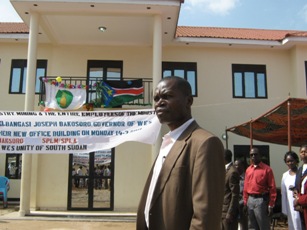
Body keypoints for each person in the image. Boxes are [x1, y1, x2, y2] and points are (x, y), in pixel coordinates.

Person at [136, 76, 225, 230]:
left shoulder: (205, 143)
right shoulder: (168, 142)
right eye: (156, 98)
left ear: (188, 101)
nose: (159, 103)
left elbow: (205, 217)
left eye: (167, 96)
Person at [243, 147, 277, 230]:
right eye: (251, 155)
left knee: (263, 226)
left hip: (261, 200)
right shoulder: (248, 170)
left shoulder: (267, 169)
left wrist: (271, 205)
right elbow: (245, 187)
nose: (253, 156)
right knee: (252, 226)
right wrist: (245, 202)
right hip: (250, 200)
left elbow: (272, 187)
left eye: (255, 154)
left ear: (260, 156)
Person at [281, 151, 302, 230]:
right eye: (288, 161)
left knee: (300, 223)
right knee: (292, 224)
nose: (290, 163)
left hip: (300, 204)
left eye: (292, 160)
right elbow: (284, 193)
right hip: (290, 205)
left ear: (296, 160)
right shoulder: (285, 175)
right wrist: (284, 211)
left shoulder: (301, 173)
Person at [221, 149, 240, 230]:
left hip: (228, 212)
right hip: (222, 211)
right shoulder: (224, 170)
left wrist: (230, 212)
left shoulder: (232, 172)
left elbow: (235, 194)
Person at [294, 144, 307, 230]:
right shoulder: (299, 169)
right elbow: (296, 187)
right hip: (301, 206)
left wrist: (299, 200)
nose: (304, 153)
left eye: (306, 151)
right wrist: (297, 203)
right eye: (302, 152)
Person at [234, 159, 248, 230]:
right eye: (235, 165)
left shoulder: (247, 177)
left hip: (243, 205)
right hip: (234, 204)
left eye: (238, 165)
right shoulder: (233, 177)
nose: (236, 167)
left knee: (244, 225)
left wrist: (241, 203)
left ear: (242, 166)